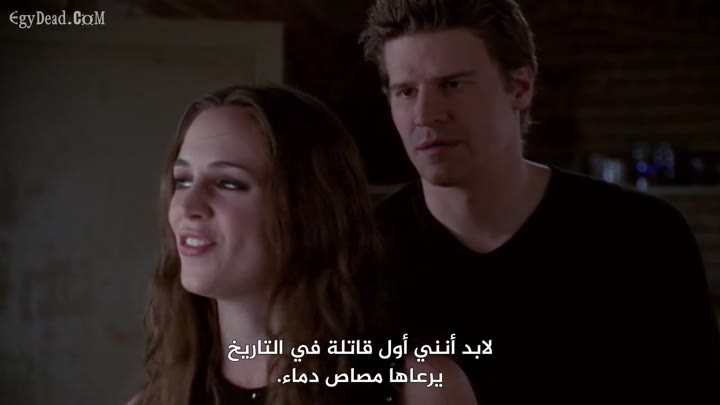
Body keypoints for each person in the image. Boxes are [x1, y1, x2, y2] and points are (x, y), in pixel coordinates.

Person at [358, 0, 720, 404]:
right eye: (406, 91)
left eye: (454, 84)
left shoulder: (642, 235)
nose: (426, 115)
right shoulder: (361, 253)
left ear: (520, 87)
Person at [128, 83, 478, 405]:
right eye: (183, 180)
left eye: (228, 183)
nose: (187, 206)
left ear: (308, 209)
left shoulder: (420, 388)